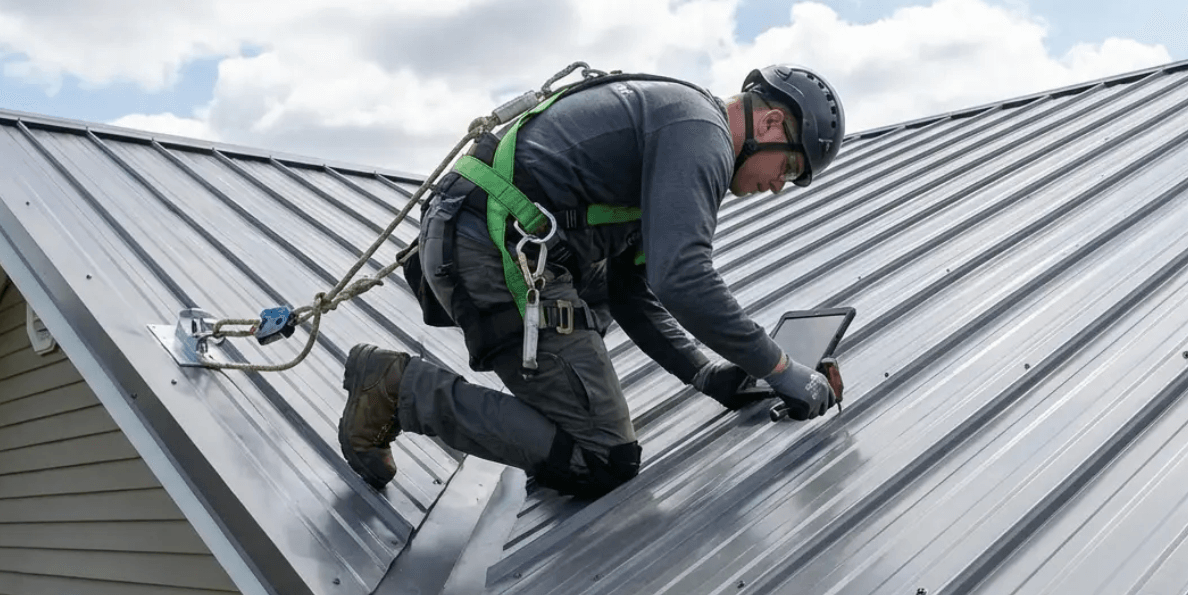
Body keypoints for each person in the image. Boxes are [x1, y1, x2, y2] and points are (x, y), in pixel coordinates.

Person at [337, 64, 846, 498]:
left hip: (482, 239)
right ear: (772, 121)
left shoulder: (680, 126)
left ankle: (540, 436)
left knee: (580, 424)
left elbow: (632, 289)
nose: (780, 186)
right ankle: (398, 389)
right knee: (605, 459)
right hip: (491, 247)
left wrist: (704, 375)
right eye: (791, 166)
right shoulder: (701, 133)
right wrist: (779, 367)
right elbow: (684, 278)